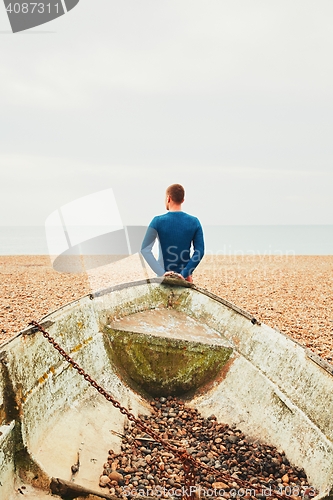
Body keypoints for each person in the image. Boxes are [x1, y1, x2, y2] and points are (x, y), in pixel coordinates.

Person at [141, 184, 204, 282]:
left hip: (162, 278)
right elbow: (199, 251)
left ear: (168, 198)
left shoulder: (157, 221)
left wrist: (161, 272)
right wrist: (185, 273)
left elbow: (145, 249)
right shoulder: (194, 222)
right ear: (183, 200)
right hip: (185, 278)